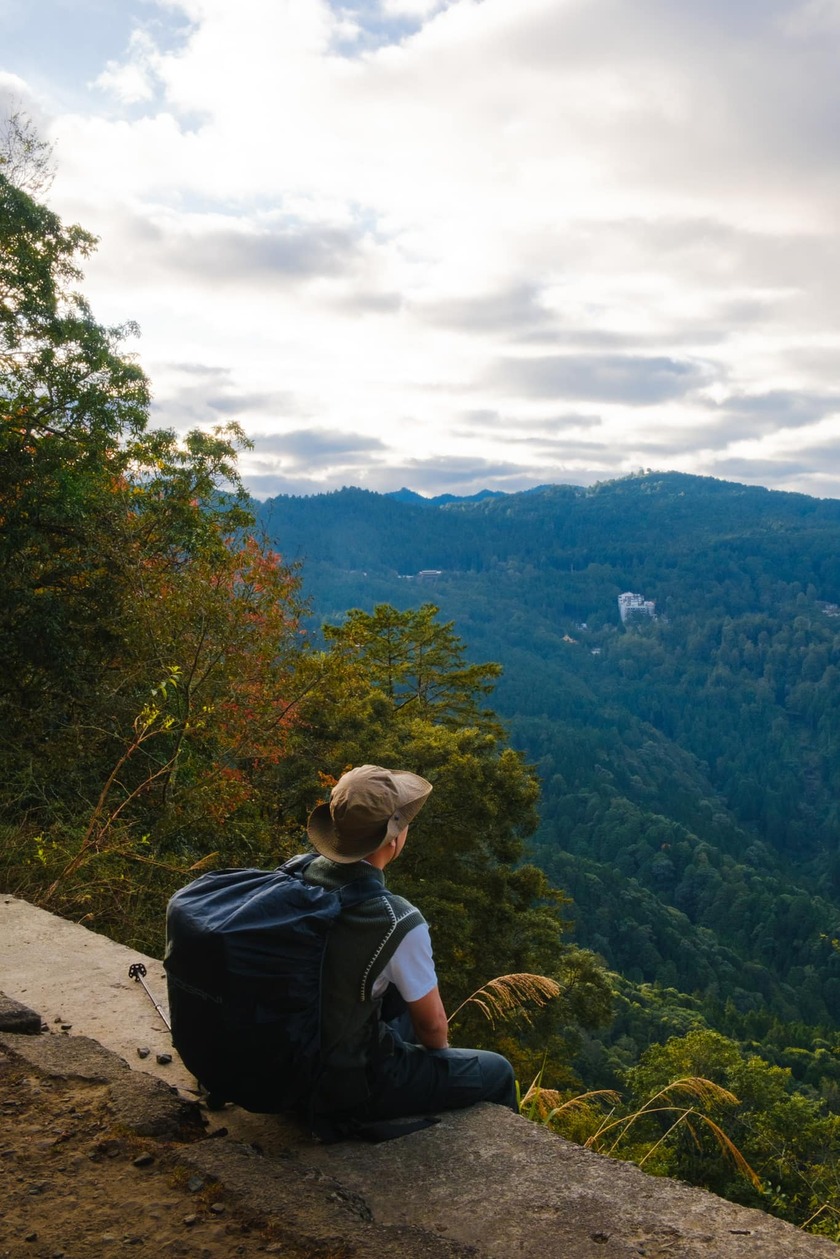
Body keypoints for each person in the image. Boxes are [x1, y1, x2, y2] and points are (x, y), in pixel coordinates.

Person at [303, 763, 518, 1131]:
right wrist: (439, 1067)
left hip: (298, 1055)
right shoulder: (395, 921)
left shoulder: (299, 877)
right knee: (498, 1071)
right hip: (350, 1083)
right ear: (392, 839)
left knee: (397, 1007)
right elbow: (433, 1028)